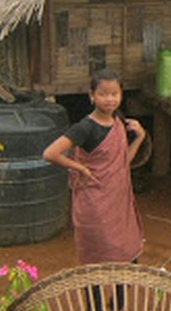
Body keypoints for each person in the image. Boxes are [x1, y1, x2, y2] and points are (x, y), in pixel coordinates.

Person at [42, 69, 145, 266]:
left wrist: (140, 137)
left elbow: (122, 163)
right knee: (96, 256)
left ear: (121, 95)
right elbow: (50, 153)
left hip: (119, 203)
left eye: (114, 94)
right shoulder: (85, 128)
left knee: (124, 258)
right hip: (95, 204)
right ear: (92, 96)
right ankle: (94, 298)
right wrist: (79, 167)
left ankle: (118, 299)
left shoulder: (119, 122)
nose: (109, 100)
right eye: (103, 94)